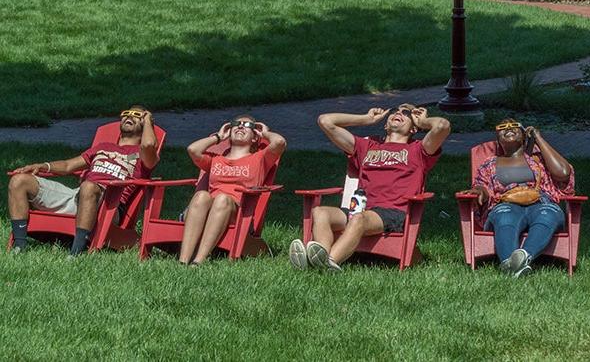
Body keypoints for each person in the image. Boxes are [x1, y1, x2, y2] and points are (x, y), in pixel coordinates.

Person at [289, 104, 450, 271]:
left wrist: (423, 121)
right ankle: (319, 258)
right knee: (320, 212)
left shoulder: (418, 150)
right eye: (395, 111)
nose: (399, 113)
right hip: (361, 209)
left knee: (359, 219)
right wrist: (366, 119)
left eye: (407, 113)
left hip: (393, 213)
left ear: (413, 129)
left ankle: (327, 263)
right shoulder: (366, 146)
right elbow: (325, 121)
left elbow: (442, 126)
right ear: (386, 124)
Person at [8, 106, 159, 255]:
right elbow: (68, 166)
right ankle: (19, 246)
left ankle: (76, 253)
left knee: (88, 186)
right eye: (126, 113)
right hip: (80, 196)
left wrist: (148, 120)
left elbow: (148, 144)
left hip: (110, 205)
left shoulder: (144, 156)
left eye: (137, 115)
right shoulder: (103, 147)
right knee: (19, 181)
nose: (129, 116)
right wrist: (42, 166)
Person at [462, 118, 574, 277]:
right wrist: (479, 191)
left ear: (523, 136)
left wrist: (538, 139)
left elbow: (563, 173)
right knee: (506, 217)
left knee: (548, 214)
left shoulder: (539, 159)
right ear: (498, 140)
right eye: (502, 127)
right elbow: (482, 185)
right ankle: (517, 261)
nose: (508, 127)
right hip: (506, 204)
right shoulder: (489, 164)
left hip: (541, 202)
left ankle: (516, 261)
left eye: (514, 126)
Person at [179, 115, 286, 265]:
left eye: (248, 126)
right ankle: (183, 261)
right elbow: (193, 149)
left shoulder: (260, 159)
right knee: (201, 196)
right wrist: (218, 137)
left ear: (255, 137)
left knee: (222, 199)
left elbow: (279, 142)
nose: (241, 126)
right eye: (236, 124)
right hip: (207, 210)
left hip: (238, 213)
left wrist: (265, 133)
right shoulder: (216, 159)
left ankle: (198, 261)